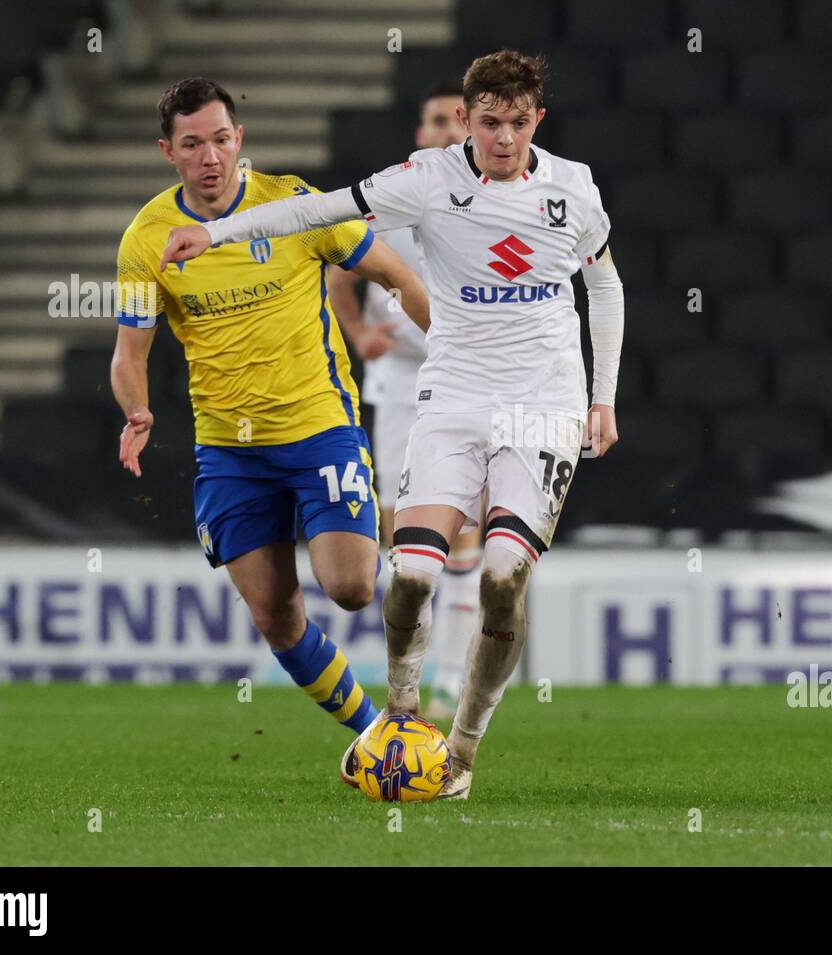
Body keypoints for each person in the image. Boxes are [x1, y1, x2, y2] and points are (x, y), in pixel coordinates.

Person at [159, 51, 624, 801]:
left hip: (544, 399)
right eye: (488, 122)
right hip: (453, 395)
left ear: (537, 120)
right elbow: (320, 208)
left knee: (505, 576)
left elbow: (603, 284)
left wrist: (602, 397)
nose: (502, 139)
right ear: (466, 121)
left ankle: (463, 748)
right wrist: (215, 236)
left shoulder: (573, 188)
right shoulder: (429, 177)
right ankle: (403, 722)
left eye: (517, 123)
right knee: (407, 577)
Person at [111, 77, 429, 739]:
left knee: (351, 588)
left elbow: (396, 275)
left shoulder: (293, 205)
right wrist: (137, 410)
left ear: (240, 141)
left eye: (221, 140)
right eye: (192, 143)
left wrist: (456, 353)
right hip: (229, 450)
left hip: (319, 431)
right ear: (167, 151)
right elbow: (129, 354)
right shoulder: (148, 239)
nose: (210, 157)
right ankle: (376, 735)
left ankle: (421, 650)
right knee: (276, 618)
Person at [324, 78, 481, 724]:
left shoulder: (494, 201)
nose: (445, 130)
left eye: (455, 120)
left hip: (464, 384)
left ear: (470, 129)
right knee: (403, 540)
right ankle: (410, 685)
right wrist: (358, 332)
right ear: (421, 134)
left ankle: (451, 682)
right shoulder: (397, 192)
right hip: (398, 389)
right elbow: (337, 263)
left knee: (464, 539)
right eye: (434, 120)